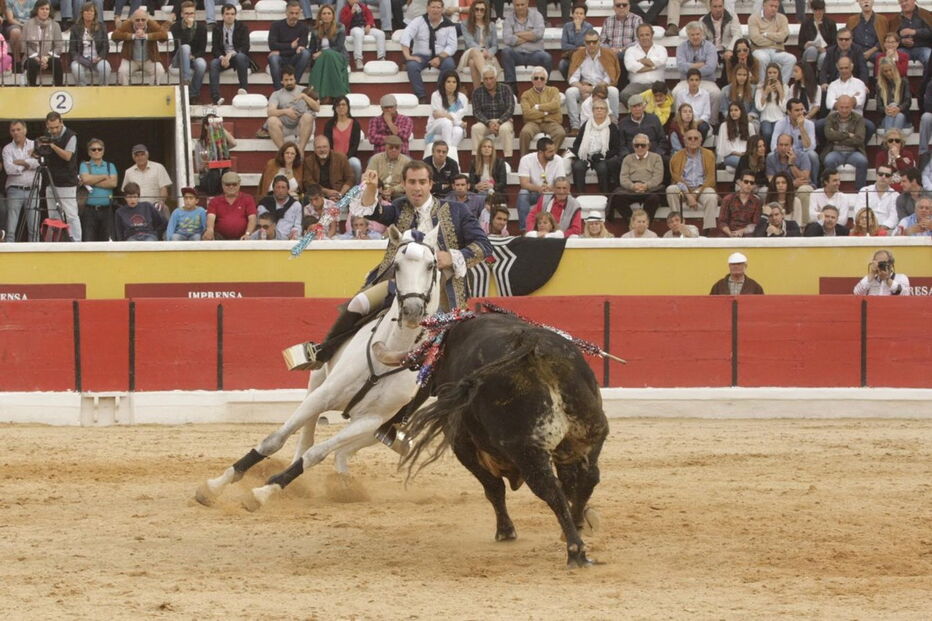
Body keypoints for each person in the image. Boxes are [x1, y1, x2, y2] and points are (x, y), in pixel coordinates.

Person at [289, 161, 491, 370]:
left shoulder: (457, 210)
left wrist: (451, 256)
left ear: (431, 184)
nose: (417, 188)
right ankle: (321, 353)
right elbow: (373, 211)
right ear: (403, 184)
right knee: (358, 303)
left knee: (451, 339)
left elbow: (484, 245)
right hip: (399, 283)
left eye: (422, 182)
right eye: (412, 182)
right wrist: (371, 187)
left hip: (441, 288)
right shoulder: (400, 206)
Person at [566, 31, 620, 136]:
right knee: (570, 92)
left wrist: (594, 89)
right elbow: (573, 77)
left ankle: (614, 123)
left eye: (594, 42)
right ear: (584, 42)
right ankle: (575, 126)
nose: (591, 44)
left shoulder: (608, 54)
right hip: (584, 86)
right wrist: (581, 87)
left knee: (614, 91)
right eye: (588, 42)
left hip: (602, 87)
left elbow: (610, 77)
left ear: (599, 41)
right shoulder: (578, 54)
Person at [401, 0, 456, 103]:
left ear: (442, 9)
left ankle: (439, 94)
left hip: (441, 55)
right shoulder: (418, 21)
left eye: (438, 7)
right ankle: (421, 96)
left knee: (449, 64)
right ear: (427, 8)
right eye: (433, 7)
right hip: (421, 55)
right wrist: (408, 56)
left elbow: (452, 46)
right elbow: (406, 36)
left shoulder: (449, 24)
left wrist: (440, 58)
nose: (435, 10)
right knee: (412, 66)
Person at [39, 112, 80, 242]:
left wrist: (52, 145)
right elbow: (44, 155)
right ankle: (55, 241)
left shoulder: (71, 136)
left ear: (61, 122)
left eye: (56, 127)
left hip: (67, 182)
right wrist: (37, 151)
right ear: (47, 125)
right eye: (51, 128)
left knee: (71, 215)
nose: (54, 131)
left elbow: (67, 156)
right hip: (50, 180)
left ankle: (77, 242)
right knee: (53, 215)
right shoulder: (47, 135)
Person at [667, 128, 718, 233]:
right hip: (683, 190)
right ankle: (677, 225)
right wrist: (689, 195)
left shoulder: (709, 155)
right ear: (685, 141)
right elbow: (677, 179)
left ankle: (708, 230)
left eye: (696, 138)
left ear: (701, 140)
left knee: (711, 195)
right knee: (671, 189)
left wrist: (696, 193)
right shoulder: (676, 156)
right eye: (690, 138)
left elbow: (710, 179)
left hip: (702, 189)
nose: (693, 140)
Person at [569, 98, 620, 195]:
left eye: (602, 108)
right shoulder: (586, 125)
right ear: (593, 111)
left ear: (606, 111)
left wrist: (603, 155)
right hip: (585, 156)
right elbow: (576, 144)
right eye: (596, 108)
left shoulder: (612, 127)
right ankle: (581, 196)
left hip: (601, 157)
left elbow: (616, 148)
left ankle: (605, 195)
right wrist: (585, 154)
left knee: (603, 168)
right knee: (577, 167)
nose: (599, 110)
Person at [674, 22, 721, 123]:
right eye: (692, 35)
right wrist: (698, 65)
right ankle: (680, 123)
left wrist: (689, 66)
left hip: (706, 80)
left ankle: (712, 123)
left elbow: (710, 67)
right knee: (675, 92)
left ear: (702, 33)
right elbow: (681, 66)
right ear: (688, 35)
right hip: (686, 81)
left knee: (716, 94)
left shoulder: (710, 47)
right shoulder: (681, 47)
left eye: (697, 34)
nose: (695, 37)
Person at [611, 131, 663, 222]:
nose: (640, 148)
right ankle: (632, 223)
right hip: (631, 189)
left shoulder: (656, 158)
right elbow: (623, 178)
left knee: (654, 198)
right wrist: (633, 186)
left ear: (648, 146)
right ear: (633, 146)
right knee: (617, 198)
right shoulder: (627, 158)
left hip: (650, 189)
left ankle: (645, 223)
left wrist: (646, 186)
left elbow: (658, 177)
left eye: (643, 145)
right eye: (637, 145)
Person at [516, 137, 565, 233]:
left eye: (554, 150)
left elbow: (561, 182)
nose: (554, 153)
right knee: (523, 193)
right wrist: (539, 188)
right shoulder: (526, 159)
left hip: (552, 194)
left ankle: (555, 230)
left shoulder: (558, 160)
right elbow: (524, 184)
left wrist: (550, 188)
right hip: (534, 193)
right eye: (550, 151)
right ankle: (525, 230)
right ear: (541, 152)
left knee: (563, 193)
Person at [500, 0, 549, 93]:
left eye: (522, 4)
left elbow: (538, 34)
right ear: (513, 5)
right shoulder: (508, 19)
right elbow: (507, 39)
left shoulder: (537, 16)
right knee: (506, 52)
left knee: (546, 57)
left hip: (535, 53)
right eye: (517, 5)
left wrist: (517, 34)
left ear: (527, 4)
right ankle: (512, 89)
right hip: (516, 54)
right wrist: (530, 36)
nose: (520, 7)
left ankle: (545, 89)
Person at [821, 95, 868, 191]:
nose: (844, 110)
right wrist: (848, 134)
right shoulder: (831, 118)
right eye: (841, 107)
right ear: (837, 107)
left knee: (863, 161)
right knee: (828, 160)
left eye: (847, 107)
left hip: (853, 152)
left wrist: (837, 138)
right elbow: (829, 135)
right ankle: (831, 190)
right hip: (835, 151)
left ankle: (860, 191)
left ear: (852, 107)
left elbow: (859, 139)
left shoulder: (859, 119)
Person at [112, 7, 168, 87]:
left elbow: (164, 35)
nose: (140, 22)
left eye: (143, 20)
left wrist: (147, 36)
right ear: (132, 20)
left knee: (159, 70)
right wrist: (132, 36)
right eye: (137, 20)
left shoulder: (152, 24)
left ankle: (152, 90)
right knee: (122, 71)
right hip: (130, 59)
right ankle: (126, 91)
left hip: (149, 59)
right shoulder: (127, 24)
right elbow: (114, 36)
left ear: (147, 19)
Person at [2, 120, 38, 242]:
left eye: (18, 129)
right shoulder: (7, 149)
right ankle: (9, 252)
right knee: (11, 228)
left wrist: (21, 162)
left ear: (25, 130)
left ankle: (35, 252)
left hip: (33, 190)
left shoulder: (35, 145)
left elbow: (39, 163)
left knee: (34, 228)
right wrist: (28, 164)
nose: (16, 132)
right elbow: (9, 169)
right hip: (14, 189)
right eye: (13, 130)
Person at [770, 98, 819, 188]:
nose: (800, 113)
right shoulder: (780, 124)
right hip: (786, 153)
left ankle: (814, 183)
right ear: (789, 112)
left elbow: (811, 147)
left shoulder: (809, 124)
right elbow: (773, 146)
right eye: (797, 110)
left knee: (813, 155)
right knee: (771, 155)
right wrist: (788, 152)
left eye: (801, 110)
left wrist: (801, 127)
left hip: (802, 155)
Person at [208, 4, 250, 105]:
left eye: (232, 14)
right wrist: (222, 58)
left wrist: (231, 54)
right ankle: (216, 97)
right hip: (223, 58)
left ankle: (243, 89)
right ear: (222, 15)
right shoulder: (217, 28)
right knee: (213, 63)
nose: (230, 16)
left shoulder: (242, 27)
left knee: (240, 57)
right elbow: (215, 48)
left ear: (235, 15)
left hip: (237, 57)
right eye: (227, 14)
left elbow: (245, 47)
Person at [470, 66, 515, 158]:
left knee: (505, 129)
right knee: (475, 128)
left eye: (491, 78)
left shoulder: (506, 89)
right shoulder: (477, 92)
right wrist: (488, 123)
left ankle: (508, 158)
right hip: (486, 122)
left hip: (503, 121)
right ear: (482, 79)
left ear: (496, 78)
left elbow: (510, 109)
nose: (489, 81)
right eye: (486, 79)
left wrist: (499, 122)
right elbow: (476, 112)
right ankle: (476, 159)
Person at [519, 67, 566, 156]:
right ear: (532, 80)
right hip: (533, 123)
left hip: (551, 122)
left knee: (560, 133)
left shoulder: (553, 90)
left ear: (546, 81)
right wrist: (546, 112)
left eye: (542, 78)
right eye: (536, 78)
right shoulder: (526, 94)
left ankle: (549, 156)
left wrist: (537, 107)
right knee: (524, 133)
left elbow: (556, 105)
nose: (539, 80)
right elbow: (527, 114)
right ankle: (523, 159)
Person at [78, 138, 117, 242]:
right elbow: (85, 180)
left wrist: (92, 181)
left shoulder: (110, 166)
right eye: (93, 149)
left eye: (99, 149)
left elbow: (113, 183)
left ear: (103, 151)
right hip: (89, 210)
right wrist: (104, 176)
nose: (96, 151)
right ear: (89, 152)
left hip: (107, 209)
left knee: (108, 241)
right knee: (88, 240)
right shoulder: (84, 165)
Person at [767, 133, 813, 221]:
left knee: (804, 189)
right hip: (781, 188)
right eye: (781, 145)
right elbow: (771, 180)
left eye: (786, 145)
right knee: (765, 191)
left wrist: (791, 164)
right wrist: (791, 184)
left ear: (791, 146)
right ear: (776, 146)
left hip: (798, 188)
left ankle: (804, 225)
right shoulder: (771, 158)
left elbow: (805, 178)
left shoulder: (802, 156)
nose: (783, 148)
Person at [308, 5, 349, 102]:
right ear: (320, 16)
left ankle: (329, 94)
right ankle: (318, 94)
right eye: (324, 13)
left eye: (329, 13)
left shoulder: (340, 27)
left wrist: (322, 52)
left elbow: (338, 47)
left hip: (338, 56)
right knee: (324, 58)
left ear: (333, 16)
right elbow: (312, 48)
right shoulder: (315, 30)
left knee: (328, 54)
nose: (326, 16)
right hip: (322, 58)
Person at [620, 23, 667, 107]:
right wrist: (654, 66)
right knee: (624, 95)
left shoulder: (661, 49)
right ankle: (643, 110)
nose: (644, 37)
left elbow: (661, 62)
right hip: (636, 85)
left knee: (669, 96)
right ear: (637, 37)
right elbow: (631, 66)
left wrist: (641, 61)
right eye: (641, 35)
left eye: (647, 34)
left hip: (658, 85)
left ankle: (645, 108)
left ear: (652, 35)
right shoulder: (630, 50)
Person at [598, 0, 641, 91]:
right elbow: (602, 41)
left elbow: (638, 41)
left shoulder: (637, 19)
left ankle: (619, 88)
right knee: (607, 55)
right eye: (618, 5)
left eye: (624, 5)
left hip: (628, 53)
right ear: (614, 7)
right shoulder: (608, 21)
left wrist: (621, 49)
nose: (621, 7)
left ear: (629, 6)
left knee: (622, 56)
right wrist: (610, 50)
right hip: (611, 53)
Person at [268, 1, 311, 91]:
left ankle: (293, 85)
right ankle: (279, 90)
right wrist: (290, 46)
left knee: (305, 53)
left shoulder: (304, 28)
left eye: (296, 13)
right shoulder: (276, 25)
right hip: (280, 59)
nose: (294, 16)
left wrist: (280, 51)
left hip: (294, 58)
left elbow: (301, 47)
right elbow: (272, 45)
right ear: (286, 12)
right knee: (273, 58)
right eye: (291, 13)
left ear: (300, 13)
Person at [748, 0, 793, 84]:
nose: (774, 9)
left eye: (776, 7)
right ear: (764, 5)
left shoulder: (782, 18)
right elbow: (756, 39)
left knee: (791, 59)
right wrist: (776, 41)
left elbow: (783, 36)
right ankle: (763, 85)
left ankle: (781, 86)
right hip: (759, 49)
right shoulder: (753, 18)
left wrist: (766, 34)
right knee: (763, 58)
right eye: (771, 6)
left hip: (777, 51)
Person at [426, 70, 468, 159]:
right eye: (448, 82)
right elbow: (436, 115)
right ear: (443, 83)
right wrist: (457, 122)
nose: (451, 84)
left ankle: (449, 158)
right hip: (436, 125)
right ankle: (446, 153)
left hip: (454, 125)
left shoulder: (462, 98)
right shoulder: (436, 95)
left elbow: (457, 116)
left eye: (454, 82)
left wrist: (446, 115)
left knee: (458, 131)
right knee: (446, 122)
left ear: (457, 84)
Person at [204, 171, 257, 240]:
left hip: (243, 239)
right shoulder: (214, 201)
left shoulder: (248, 199)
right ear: (222, 185)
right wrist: (210, 230)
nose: (231, 187)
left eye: (234, 184)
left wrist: (247, 234)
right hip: (220, 239)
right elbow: (211, 217)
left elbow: (252, 218)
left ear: (239, 184)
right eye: (227, 184)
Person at [460, 0, 500, 89]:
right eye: (476, 9)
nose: (479, 12)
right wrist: (482, 50)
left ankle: (477, 91)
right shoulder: (465, 24)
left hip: (486, 55)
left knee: (472, 63)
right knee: (475, 51)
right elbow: (469, 42)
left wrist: (489, 53)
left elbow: (495, 45)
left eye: (482, 10)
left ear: (485, 12)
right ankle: (487, 79)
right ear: (472, 10)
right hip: (469, 53)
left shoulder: (491, 25)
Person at [122, 144, 172, 215]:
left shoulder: (158, 167)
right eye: (137, 155)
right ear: (133, 157)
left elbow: (163, 188)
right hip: (136, 208)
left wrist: (161, 202)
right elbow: (126, 192)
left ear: (147, 155)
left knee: (165, 211)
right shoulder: (128, 172)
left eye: (142, 154)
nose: (140, 157)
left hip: (155, 207)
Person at [69, 2, 109, 87]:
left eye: (91, 11)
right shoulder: (75, 28)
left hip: (97, 59)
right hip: (81, 59)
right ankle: (83, 89)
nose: (89, 13)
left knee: (105, 67)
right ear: (82, 13)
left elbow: (106, 46)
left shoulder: (101, 27)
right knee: (76, 68)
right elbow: (72, 49)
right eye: (86, 11)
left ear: (95, 13)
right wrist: (81, 59)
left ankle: (103, 89)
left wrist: (99, 57)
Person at [324, 96, 363, 183]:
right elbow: (327, 144)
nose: (341, 107)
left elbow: (355, 145)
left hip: (350, 157)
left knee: (356, 164)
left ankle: (357, 187)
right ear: (334, 108)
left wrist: (345, 158)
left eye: (343, 104)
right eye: (338, 105)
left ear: (348, 107)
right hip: (333, 157)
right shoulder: (329, 124)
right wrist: (335, 158)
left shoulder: (355, 124)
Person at [23, 0, 63, 86]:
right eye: (42, 9)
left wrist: (46, 58)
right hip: (32, 57)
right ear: (36, 10)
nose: (45, 11)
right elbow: (24, 45)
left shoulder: (55, 25)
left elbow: (58, 46)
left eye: (47, 9)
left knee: (56, 62)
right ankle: (31, 88)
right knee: (32, 63)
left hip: (48, 57)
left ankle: (59, 88)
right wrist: (37, 58)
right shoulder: (27, 24)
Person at [304, 135, 355, 201]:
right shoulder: (309, 161)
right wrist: (326, 191)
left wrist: (340, 194)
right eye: (318, 147)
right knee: (306, 198)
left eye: (324, 147)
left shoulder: (341, 158)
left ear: (329, 147)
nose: (322, 150)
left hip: (339, 193)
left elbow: (350, 178)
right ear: (314, 149)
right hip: (318, 195)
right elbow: (308, 182)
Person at [341, 0, 385, 72]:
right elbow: (344, 23)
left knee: (380, 34)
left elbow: (370, 17)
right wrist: (351, 13)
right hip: (353, 29)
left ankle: (381, 57)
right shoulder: (345, 9)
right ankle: (358, 59)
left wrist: (369, 25)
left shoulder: (363, 7)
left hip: (364, 27)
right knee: (359, 33)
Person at [854, 163, 900, 231]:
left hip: (886, 231)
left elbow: (893, 218)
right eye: (881, 174)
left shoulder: (895, 195)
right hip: (865, 228)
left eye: (887, 175)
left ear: (891, 178)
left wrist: (881, 229)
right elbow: (859, 212)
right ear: (876, 175)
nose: (883, 177)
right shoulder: (865, 191)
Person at [619, 93, 665, 159]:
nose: (637, 109)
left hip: (653, 156)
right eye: (634, 106)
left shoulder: (654, 119)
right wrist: (628, 157)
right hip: (632, 157)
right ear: (630, 109)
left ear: (644, 107)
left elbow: (662, 140)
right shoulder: (623, 123)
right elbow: (621, 145)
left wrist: (657, 155)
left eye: (639, 106)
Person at [719, 170, 763, 237]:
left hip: (747, 234)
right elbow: (722, 222)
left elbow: (755, 224)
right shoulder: (728, 199)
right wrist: (730, 234)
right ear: (740, 182)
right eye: (746, 182)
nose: (749, 184)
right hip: (728, 233)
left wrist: (742, 231)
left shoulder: (757, 202)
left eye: (751, 183)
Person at [257, 175, 302, 240]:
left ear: (288, 189)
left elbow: (297, 225)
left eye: (283, 187)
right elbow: (260, 225)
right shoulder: (264, 204)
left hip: (288, 240)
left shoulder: (296, 205)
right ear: (273, 189)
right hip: (268, 239)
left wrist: (294, 234)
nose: (280, 190)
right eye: (278, 187)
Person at [889, 0, 932, 67]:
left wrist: (915, 32)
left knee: (929, 58)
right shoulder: (896, 19)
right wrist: (902, 41)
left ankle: (928, 75)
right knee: (892, 59)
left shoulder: (925, 14)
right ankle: (900, 74)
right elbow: (890, 38)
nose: (903, 4)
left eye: (906, 1)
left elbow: (930, 32)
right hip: (903, 49)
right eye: (901, 2)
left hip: (923, 48)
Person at [799, 0, 836, 74]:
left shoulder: (830, 23)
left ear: (824, 10)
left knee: (823, 56)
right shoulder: (806, 23)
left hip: (824, 50)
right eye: (816, 10)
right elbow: (800, 43)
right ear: (812, 10)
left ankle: (820, 76)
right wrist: (805, 45)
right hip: (810, 51)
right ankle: (810, 75)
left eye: (821, 10)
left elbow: (834, 42)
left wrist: (826, 49)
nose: (818, 12)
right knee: (812, 50)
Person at [755, 63, 787, 147]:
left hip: (779, 116)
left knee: (777, 133)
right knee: (767, 133)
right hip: (766, 117)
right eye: (769, 73)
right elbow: (759, 107)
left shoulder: (785, 86)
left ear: (778, 73)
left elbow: (785, 108)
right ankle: (766, 150)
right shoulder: (760, 87)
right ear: (766, 74)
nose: (772, 75)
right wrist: (766, 92)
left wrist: (780, 91)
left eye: (774, 72)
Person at [559, 3, 594, 80]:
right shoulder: (567, 26)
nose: (578, 15)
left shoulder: (589, 27)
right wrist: (577, 48)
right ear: (572, 15)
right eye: (576, 13)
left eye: (581, 14)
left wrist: (578, 30)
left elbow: (588, 45)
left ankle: (582, 82)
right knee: (562, 64)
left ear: (584, 16)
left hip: (584, 57)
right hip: (570, 56)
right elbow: (564, 46)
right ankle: (571, 82)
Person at [876, 58, 911, 133]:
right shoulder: (879, 85)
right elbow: (879, 106)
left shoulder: (904, 82)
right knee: (891, 114)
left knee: (899, 116)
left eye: (890, 70)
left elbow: (907, 102)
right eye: (885, 71)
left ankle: (889, 138)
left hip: (903, 118)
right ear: (882, 72)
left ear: (894, 69)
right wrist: (885, 110)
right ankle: (894, 138)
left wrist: (898, 109)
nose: (889, 73)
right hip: (885, 118)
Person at [674, 69, 712, 137]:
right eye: (691, 80)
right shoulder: (681, 94)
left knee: (704, 128)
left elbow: (706, 114)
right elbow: (678, 112)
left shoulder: (705, 94)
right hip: (685, 121)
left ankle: (698, 143)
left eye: (696, 80)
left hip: (699, 122)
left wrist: (696, 123)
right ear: (687, 81)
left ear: (700, 81)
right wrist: (687, 122)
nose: (694, 82)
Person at [469, 137, 507, 201]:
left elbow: (503, 183)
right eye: (484, 146)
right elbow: (471, 183)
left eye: (489, 147)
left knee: (484, 196)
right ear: (480, 149)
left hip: (495, 192)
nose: (487, 148)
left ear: (492, 150)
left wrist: (492, 186)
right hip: (479, 192)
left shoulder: (499, 163)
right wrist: (476, 186)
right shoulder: (474, 163)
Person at [717, 103, 751, 169]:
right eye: (731, 110)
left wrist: (745, 153)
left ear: (741, 111)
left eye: (736, 110)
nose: (733, 112)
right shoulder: (724, 126)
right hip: (729, 155)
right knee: (744, 163)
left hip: (746, 155)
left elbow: (753, 143)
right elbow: (723, 146)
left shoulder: (749, 126)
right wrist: (737, 153)